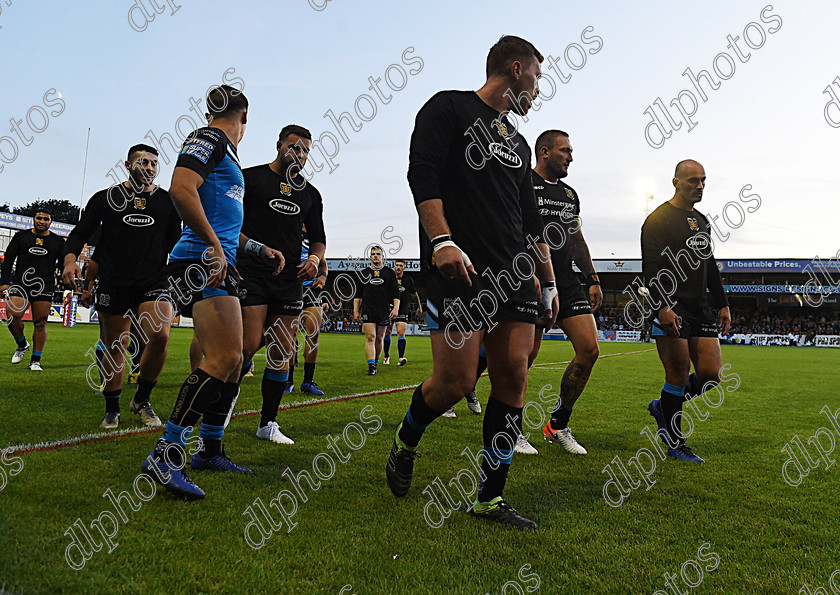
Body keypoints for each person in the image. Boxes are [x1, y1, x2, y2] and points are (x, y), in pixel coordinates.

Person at [386, 35, 559, 529]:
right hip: (461, 270)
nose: (538, 88)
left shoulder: (519, 142)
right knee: (456, 381)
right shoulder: (448, 109)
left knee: (513, 379)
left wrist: (546, 282)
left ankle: (490, 498)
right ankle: (406, 440)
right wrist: (441, 240)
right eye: (537, 77)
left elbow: (530, 221)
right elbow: (422, 175)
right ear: (514, 68)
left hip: (516, 276)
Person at [140, 85, 284, 499]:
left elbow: (223, 220)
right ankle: (166, 454)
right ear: (245, 115)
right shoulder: (208, 137)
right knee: (222, 358)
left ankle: (210, 449)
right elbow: (180, 190)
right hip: (201, 261)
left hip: (218, 259)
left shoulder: (226, 153)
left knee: (234, 360)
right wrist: (216, 248)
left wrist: (257, 247)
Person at [64, 145, 181, 429]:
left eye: (155, 163)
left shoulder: (168, 202)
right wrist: (69, 261)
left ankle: (142, 400)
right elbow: (80, 233)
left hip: (153, 280)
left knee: (160, 336)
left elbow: (174, 243)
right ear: (128, 166)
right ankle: (112, 408)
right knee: (118, 345)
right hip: (114, 282)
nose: (150, 168)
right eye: (143, 162)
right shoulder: (106, 198)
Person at [239, 124, 326, 446]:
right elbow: (231, 226)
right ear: (279, 145)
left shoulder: (310, 194)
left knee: (280, 351)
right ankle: (219, 413)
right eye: (294, 147)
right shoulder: (250, 179)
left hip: (289, 281)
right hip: (251, 274)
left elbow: (318, 240)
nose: (300, 155)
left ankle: (268, 423)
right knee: (247, 345)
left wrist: (315, 261)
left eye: (305, 150)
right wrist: (254, 249)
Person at [642, 159, 731, 464]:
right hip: (671, 306)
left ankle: (663, 407)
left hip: (701, 309)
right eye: (693, 181)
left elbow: (710, 266)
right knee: (677, 375)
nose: (700, 186)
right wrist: (663, 306)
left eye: (704, 180)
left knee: (711, 375)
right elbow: (650, 269)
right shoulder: (658, 219)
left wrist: (722, 303)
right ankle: (675, 442)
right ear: (676, 182)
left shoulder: (703, 221)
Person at [529, 130, 601, 456]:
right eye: (565, 150)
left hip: (568, 281)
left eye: (571, 151)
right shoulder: (523, 184)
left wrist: (593, 277)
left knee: (589, 350)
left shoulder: (570, 195)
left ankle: (557, 424)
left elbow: (577, 239)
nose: (570, 156)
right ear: (545, 152)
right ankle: (508, 428)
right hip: (528, 278)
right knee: (523, 358)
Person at [0, 211, 64, 371]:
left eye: (46, 219)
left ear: (51, 222)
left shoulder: (57, 241)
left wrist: (66, 289)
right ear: (33, 219)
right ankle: (22, 344)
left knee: (40, 322)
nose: (42, 221)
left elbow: (63, 266)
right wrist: (4, 283)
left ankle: (35, 360)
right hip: (21, 284)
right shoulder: (21, 237)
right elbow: (8, 260)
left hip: (45, 285)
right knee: (11, 316)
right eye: (39, 218)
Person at [287, 231, 329, 395]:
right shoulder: (288, 229)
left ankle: (308, 382)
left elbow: (323, 263)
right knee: (291, 334)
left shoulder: (314, 238)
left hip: (312, 290)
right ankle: (288, 381)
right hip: (292, 287)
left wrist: (323, 276)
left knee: (314, 335)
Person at [353, 245, 399, 375]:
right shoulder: (364, 273)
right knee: (370, 337)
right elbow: (358, 295)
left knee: (379, 338)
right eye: (373, 254)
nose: (375, 256)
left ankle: (376, 361)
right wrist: (356, 311)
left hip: (384, 310)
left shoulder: (389, 273)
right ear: (370, 257)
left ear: (382, 256)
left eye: (378, 254)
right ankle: (371, 366)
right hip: (368, 310)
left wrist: (395, 308)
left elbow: (396, 294)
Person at [382, 258, 420, 366]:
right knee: (388, 332)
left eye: (400, 265)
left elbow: (414, 294)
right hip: (390, 308)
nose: (398, 267)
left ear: (404, 267)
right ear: (394, 267)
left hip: (403, 308)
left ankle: (400, 358)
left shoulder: (408, 280)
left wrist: (419, 306)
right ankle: (386, 356)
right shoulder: (389, 279)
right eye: (396, 265)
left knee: (401, 332)